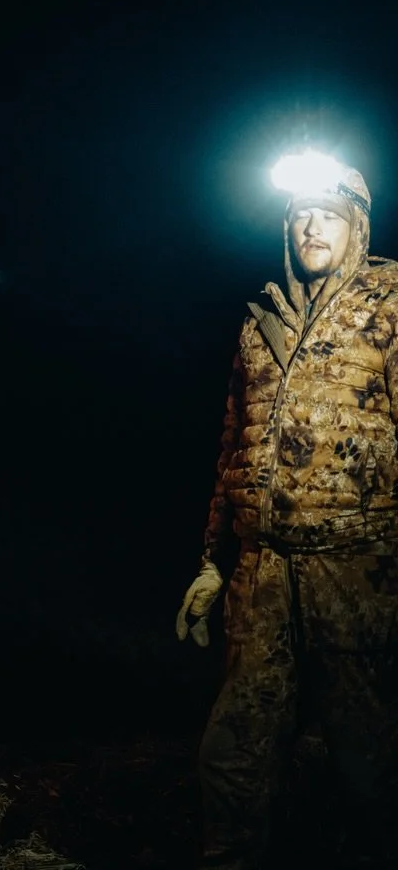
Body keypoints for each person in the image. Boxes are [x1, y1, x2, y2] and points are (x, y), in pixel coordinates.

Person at [176, 153, 398, 868]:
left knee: (370, 761)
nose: (312, 228)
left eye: (328, 216)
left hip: (360, 577)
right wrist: (214, 563)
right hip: (263, 575)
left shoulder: (389, 307)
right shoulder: (260, 322)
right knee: (234, 752)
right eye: (301, 216)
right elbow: (233, 448)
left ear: (357, 227)